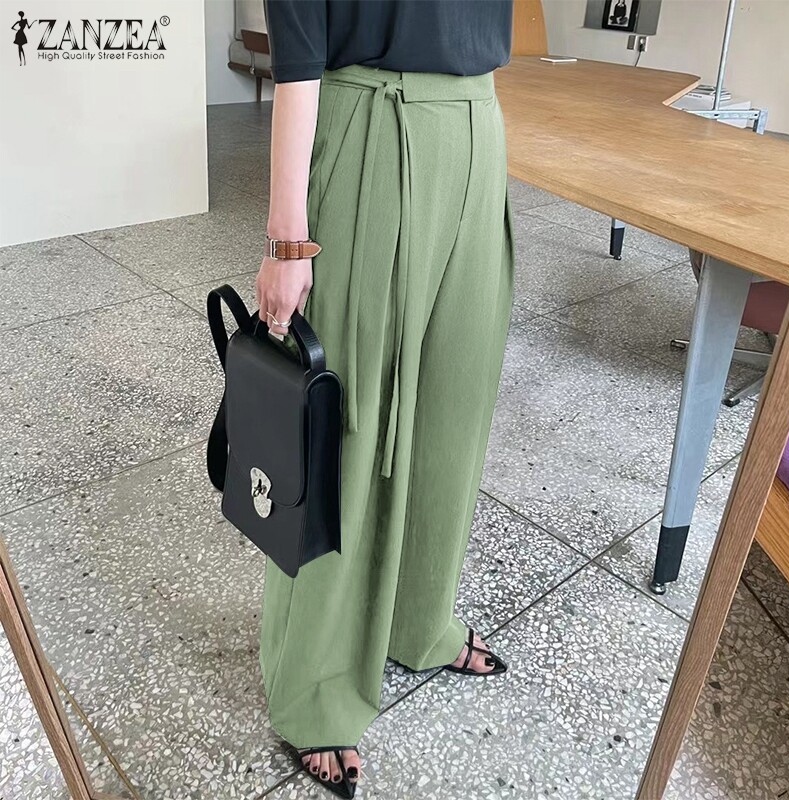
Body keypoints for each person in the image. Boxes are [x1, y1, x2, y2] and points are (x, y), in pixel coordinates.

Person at [256, 1, 515, 796]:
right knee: (346, 428)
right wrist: (287, 241)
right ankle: (313, 684)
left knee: (453, 409)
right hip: (369, 122)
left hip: (478, 124)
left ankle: (419, 619)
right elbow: (299, 48)